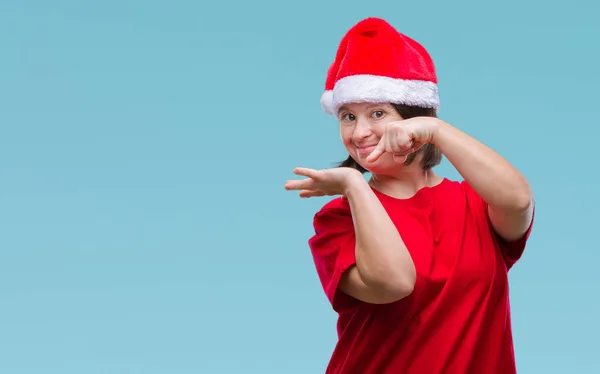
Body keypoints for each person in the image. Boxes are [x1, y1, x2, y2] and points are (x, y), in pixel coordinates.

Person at [284, 17, 535, 374]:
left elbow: (519, 200)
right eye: (347, 117)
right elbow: (394, 283)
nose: (360, 132)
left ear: (413, 114)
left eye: (377, 113)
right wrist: (356, 186)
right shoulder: (338, 219)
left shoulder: (476, 203)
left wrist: (436, 129)